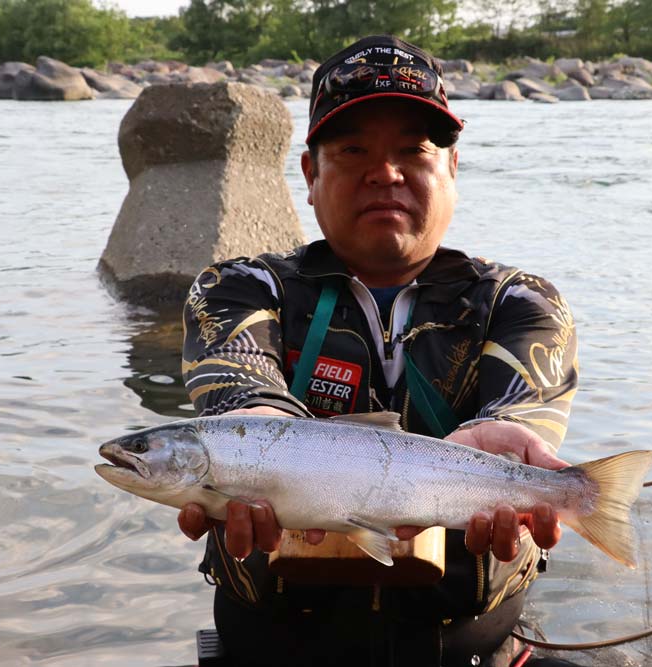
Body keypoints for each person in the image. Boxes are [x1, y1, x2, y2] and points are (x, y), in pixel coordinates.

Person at [178, 34, 579, 667]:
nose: (384, 172)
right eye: (353, 149)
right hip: (271, 647)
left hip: (472, 649)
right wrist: (255, 433)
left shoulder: (520, 301)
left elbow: (520, 415)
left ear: (451, 168)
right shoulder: (239, 288)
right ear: (310, 175)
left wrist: (504, 437)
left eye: (413, 151)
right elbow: (243, 389)